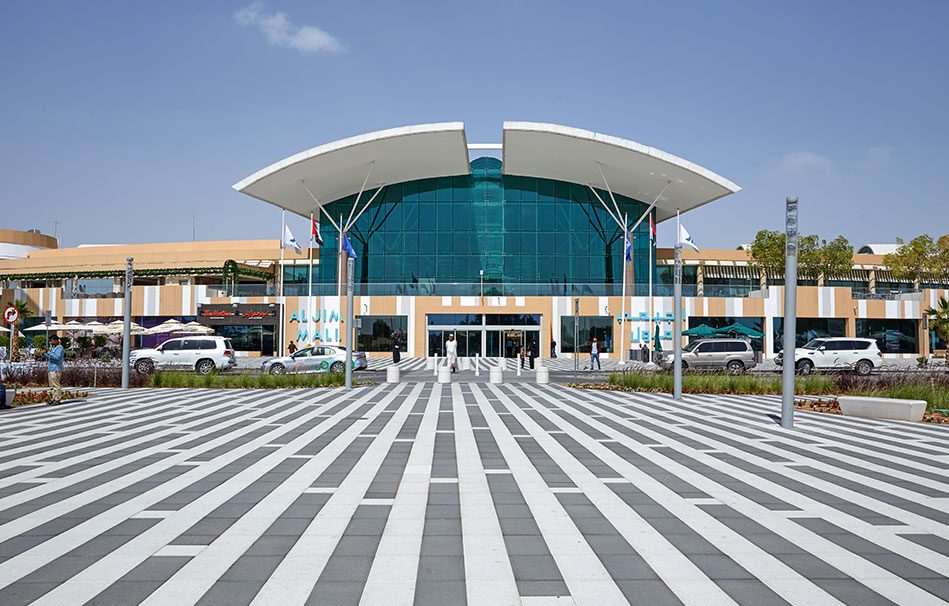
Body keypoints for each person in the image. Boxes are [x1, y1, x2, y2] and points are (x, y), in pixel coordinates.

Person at [42, 334, 64, 405]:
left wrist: (48, 352)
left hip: (56, 369)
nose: (51, 343)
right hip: (51, 368)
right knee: (52, 386)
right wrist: (44, 354)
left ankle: (57, 399)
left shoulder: (60, 348)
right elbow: (50, 357)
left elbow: (57, 357)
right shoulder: (54, 348)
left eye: (52, 341)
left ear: (56, 340)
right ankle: (53, 398)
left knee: (56, 385)